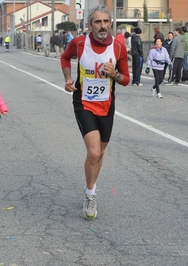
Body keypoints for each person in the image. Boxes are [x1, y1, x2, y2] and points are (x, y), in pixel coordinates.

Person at [60, 5, 130, 219]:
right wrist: (68, 79)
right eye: (97, 22)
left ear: (110, 23)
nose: (102, 26)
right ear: (90, 25)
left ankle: (91, 185)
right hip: (84, 103)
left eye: (106, 22)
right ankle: (90, 194)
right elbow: (64, 58)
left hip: (107, 106)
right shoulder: (79, 44)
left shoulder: (118, 48)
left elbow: (126, 79)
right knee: (94, 153)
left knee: (101, 152)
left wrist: (115, 74)